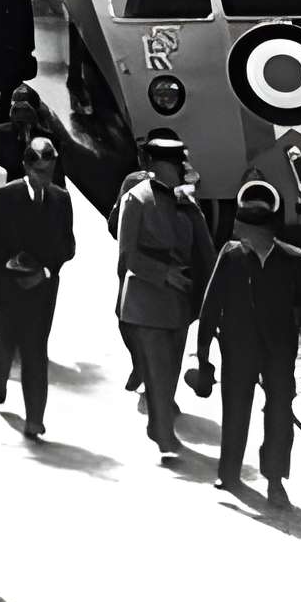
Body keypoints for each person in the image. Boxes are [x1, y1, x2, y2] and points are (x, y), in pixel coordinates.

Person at [189, 178, 301, 509]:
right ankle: (228, 473)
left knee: (279, 414)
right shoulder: (230, 256)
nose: (235, 231)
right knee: (235, 410)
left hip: (279, 351)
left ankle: (275, 480)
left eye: (240, 226)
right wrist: (202, 352)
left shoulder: (293, 259)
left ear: (259, 231)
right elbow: (211, 304)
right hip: (237, 348)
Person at [113, 132, 204, 459]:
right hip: (145, 301)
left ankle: (160, 418)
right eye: (177, 163)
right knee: (156, 368)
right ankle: (164, 434)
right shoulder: (135, 200)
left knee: (172, 368)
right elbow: (128, 256)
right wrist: (163, 274)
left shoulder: (186, 201)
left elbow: (199, 247)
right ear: (158, 166)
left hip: (179, 303)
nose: (182, 168)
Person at [0, 137, 74, 433]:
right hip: (7, 285)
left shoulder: (61, 200)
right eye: (38, 170)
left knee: (35, 350)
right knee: (4, 339)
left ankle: (35, 419)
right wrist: (7, 261)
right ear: (26, 167)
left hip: (43, 287)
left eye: (49, 170)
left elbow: (67, 246)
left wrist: (44, 271)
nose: (44, 177)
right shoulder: (5, 196)